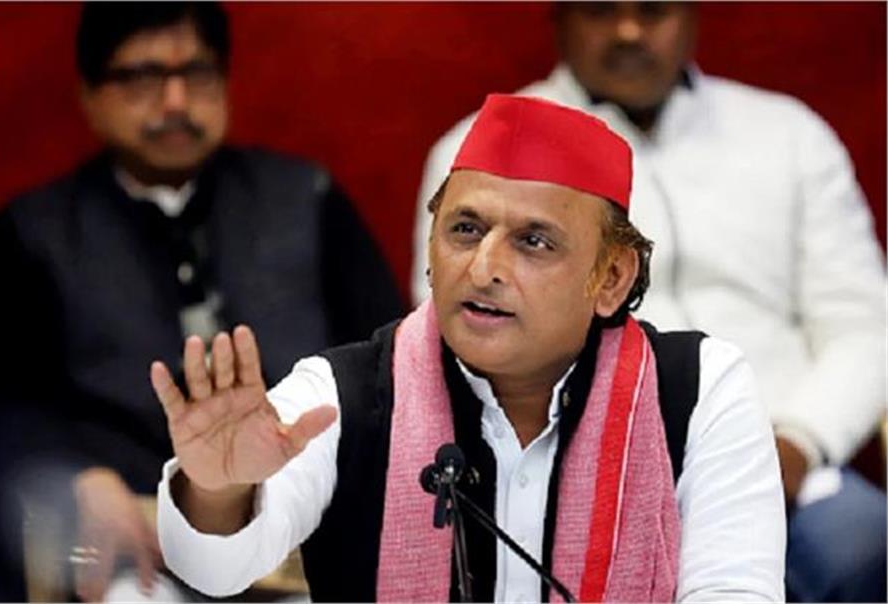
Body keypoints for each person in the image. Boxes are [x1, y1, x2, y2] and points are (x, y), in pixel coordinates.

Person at [153, 94, 785, 602]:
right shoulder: (340, 394)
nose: (483, 269)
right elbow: (216, 571)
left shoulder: (698, 391)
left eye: (534, 242)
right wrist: (218, 490)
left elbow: (735, 591)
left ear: (612, 277)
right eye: (465, 229)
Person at [411, 3, 887, 601]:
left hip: (788, 459)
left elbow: (865, 326)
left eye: (653, 9)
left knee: (866, 545)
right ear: (559, 19)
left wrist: (796, 443)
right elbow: (468, 329)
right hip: (575, 467)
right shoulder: (485, 149)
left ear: (692, 16)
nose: (629, 31)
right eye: (600, 10)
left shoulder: (788, 136)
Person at [0, 3, 402, 601]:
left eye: (196, 73)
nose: (176, 102)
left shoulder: (307, 199)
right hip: (130, 554)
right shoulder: (32, 234)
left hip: (301, 537)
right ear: (91, 95)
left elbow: (390, 365)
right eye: (144, 77)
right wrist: (76, 478)